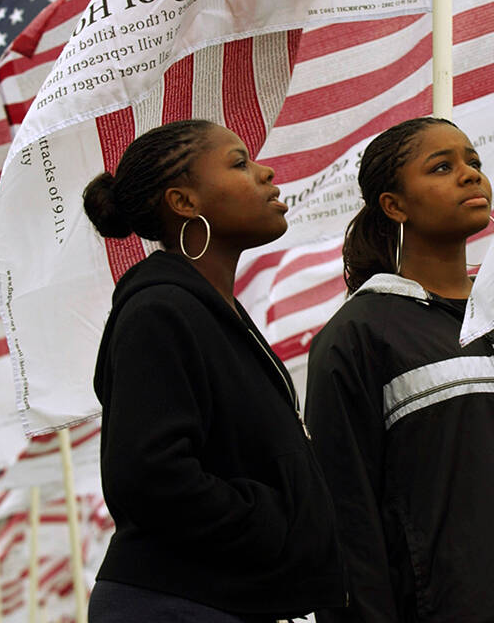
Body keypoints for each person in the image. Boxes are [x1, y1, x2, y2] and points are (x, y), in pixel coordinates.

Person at [305, 117, 494, 623]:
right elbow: (347, 525)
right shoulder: (358, 334)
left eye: (473, 162)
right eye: (442, 167)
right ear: (394, 204)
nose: (470, 175)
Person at [81, 119, 346, 622]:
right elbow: (148, 476)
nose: (265, 172)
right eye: (239, 163)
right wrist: (279, 521)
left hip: (225, 599)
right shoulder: (158, 311)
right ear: (184, 202)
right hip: (176, 603)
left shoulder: (212, 314)